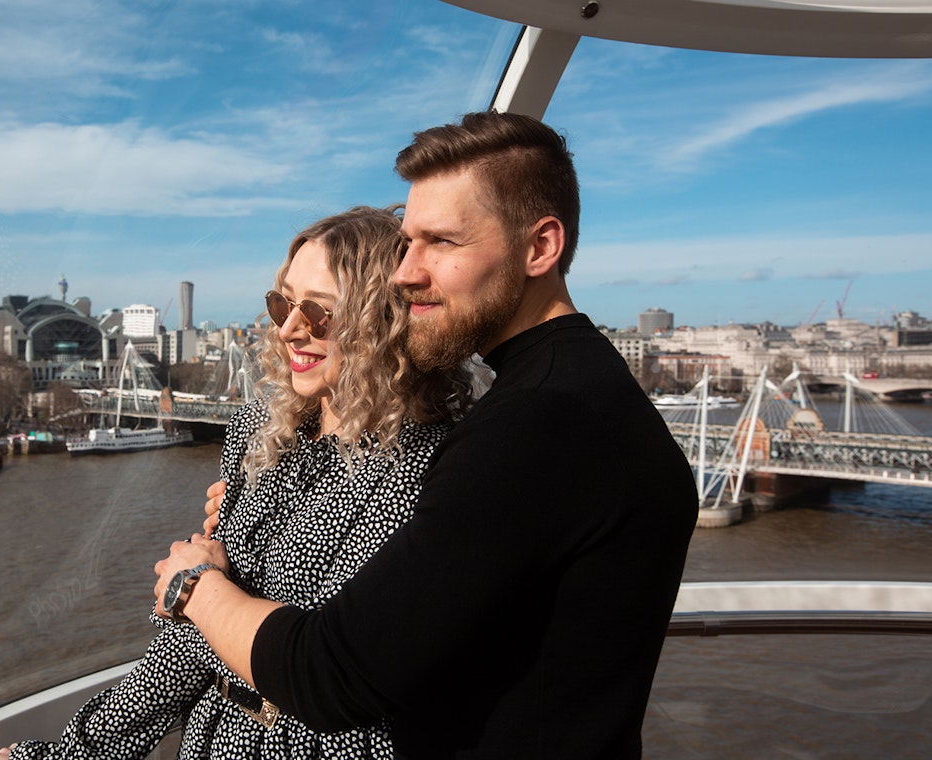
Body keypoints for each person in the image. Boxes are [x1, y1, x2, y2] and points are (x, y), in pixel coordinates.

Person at [155, 111, 698, 758]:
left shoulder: (538, 424)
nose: (407, 272)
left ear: (539, 248)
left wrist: (197, 587)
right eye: (408, 242)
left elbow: (333, 675)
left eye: (440, 242)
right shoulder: (574, 391)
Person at [0, 205, 471, 760]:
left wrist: (198, 588)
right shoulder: (259, 430)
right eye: (283, 303)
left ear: (384, 320)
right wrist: (72, 752)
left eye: (319, 312)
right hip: (215, 738)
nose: (289, 328)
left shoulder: (427, 468)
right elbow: (195, 644)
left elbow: (334, 668)